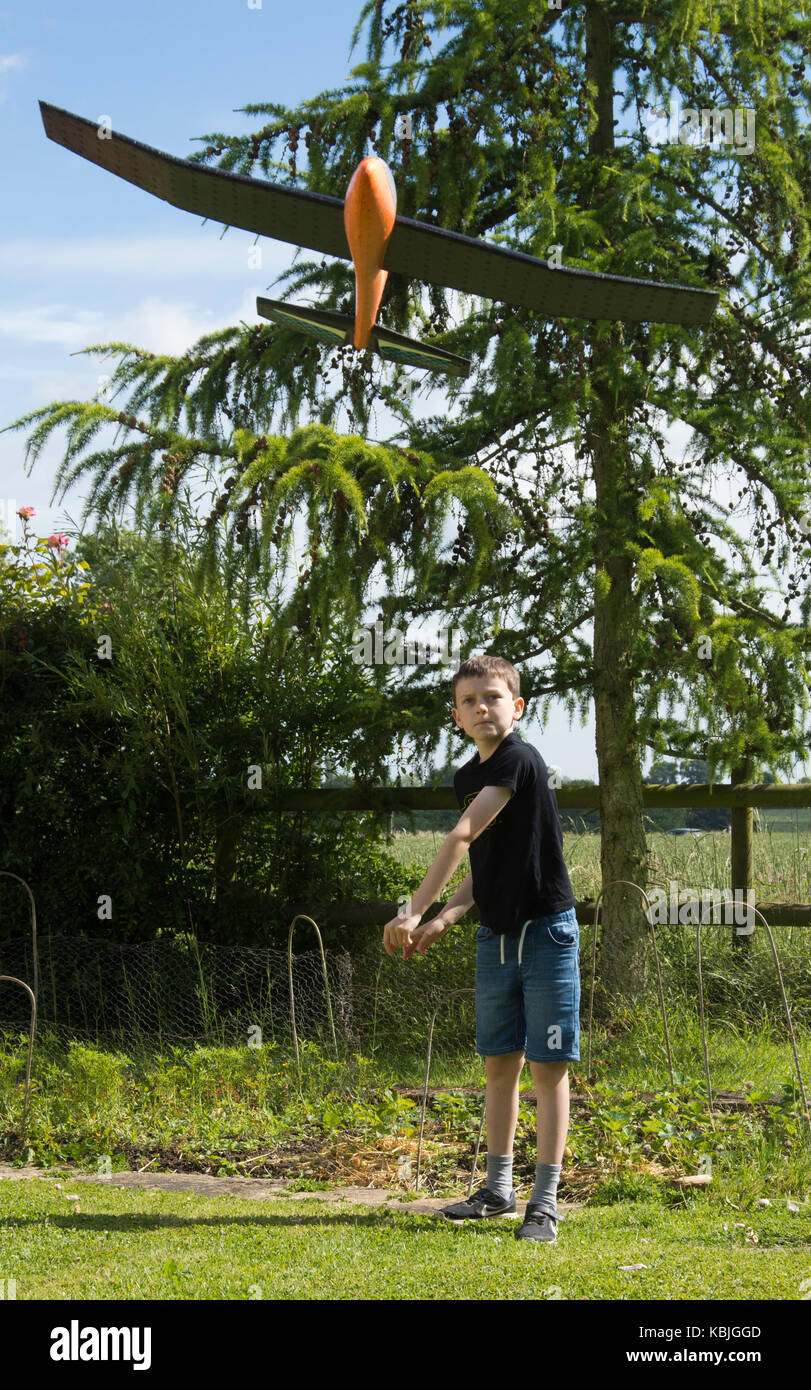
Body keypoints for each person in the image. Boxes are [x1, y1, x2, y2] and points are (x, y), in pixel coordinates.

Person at [382, 653, 579, 1243]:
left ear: (516, 707)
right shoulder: (469, 777)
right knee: (500, 1066)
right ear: (456, 716)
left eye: (493, 697)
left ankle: (542, 1203)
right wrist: (449, 915)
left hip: (547, 933)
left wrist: (412, 908)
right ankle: (497, 1189)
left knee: (547, 1068)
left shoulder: (519, 761)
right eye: (469, 701)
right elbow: (486, 862)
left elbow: (463, 837)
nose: (481, 707)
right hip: (495, 938)